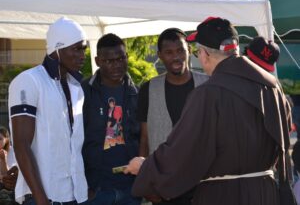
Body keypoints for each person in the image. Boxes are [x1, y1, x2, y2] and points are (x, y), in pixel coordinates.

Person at [125, 17, 293, 205]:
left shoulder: (208, 93)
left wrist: (146, 167)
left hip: (224, 196)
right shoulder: (272, 86)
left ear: (204, 54)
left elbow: (185, 150)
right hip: (265, 193)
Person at [8, 17, 88, 205]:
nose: (82, 55)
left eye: (83, 48)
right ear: (57, 49)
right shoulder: (29, 81)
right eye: (76, 49)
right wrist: (41, 199)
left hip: (75, 195)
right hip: (43, 197)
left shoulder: (76, 87)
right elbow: (21, 145)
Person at [137, 28, 208, 204]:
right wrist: (147, 182)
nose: (176, 57)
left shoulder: (208, 85)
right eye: (168, 52)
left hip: (203, 184)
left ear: (189, 51)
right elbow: (145, 139)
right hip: (164, 187)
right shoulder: (149, 89)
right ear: (160, 55)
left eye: (180, 51)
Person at [82, 33, 141, 205]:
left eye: (121, 58)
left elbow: (145, 138)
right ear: (97, 61)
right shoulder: (82, 92)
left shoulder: (138, 93)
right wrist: (82, 184)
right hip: (95, 189)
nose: (116, 65)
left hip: (130, 189)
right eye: (109, 61)